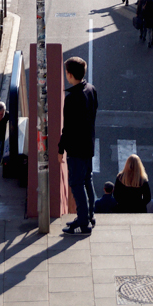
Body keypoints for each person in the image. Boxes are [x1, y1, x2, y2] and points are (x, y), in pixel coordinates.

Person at [58, 56, 98, 236]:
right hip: (88, 144)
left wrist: (60, 150)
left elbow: (67, 128)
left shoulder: (72, 98)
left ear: (70, 74)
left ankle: (83, 222)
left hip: (76, 149)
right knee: (87, 180)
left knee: (76, 183)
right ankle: (89, 215)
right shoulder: (91, 89)